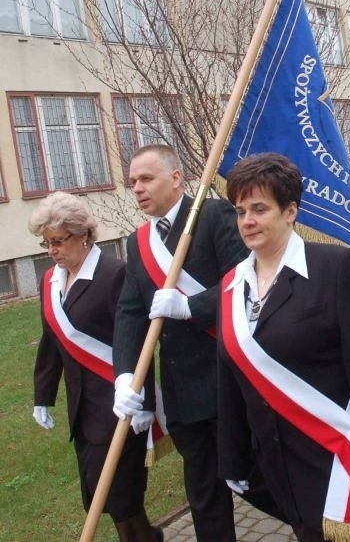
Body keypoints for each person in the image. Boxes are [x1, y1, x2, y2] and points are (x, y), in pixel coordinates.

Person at [217, 153, 350, 542]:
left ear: (290, 211)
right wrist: (233, 459)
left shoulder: (335, 266)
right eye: (240, 211)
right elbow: (231, 377)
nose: (247, 221)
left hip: (336, 453)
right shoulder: (230, 284)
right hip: (274, 461)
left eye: (259, 209)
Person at [112, 144, 248, 540]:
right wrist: (125, 376)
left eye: (146, 178)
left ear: (175, 179)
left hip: (228, 379)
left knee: (257, 480)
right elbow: (130, 314)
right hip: (183, 390)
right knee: (204, 492)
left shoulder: (212, 215)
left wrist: (193, 307)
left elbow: (245, 279)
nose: (137, 187)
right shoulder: (138, 243)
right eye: (132, 181)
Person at [29, 192, 160, 541]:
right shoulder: (50, 281)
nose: (51, 251)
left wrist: (144, 401)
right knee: (107, 497)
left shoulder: (116, 274)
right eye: (46, 243)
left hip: (119, 404)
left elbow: (137, 341)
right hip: (82, 409)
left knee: (119, 495)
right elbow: (51, 341)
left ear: (83, 234)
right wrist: (43, 395)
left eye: (58, 242)